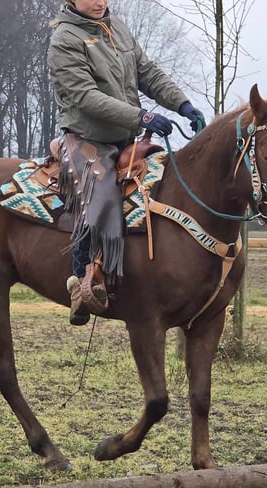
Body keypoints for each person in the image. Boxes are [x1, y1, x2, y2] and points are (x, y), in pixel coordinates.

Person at [48, 0, 205, 326]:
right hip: (87, 138)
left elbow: (147, 72)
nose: (99, 1)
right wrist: (142, 115)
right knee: (101, 197)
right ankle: (82, 283)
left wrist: (183, 105)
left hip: (126, 138)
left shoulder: (116, 27)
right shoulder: (65, 38)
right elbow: (84, 96)